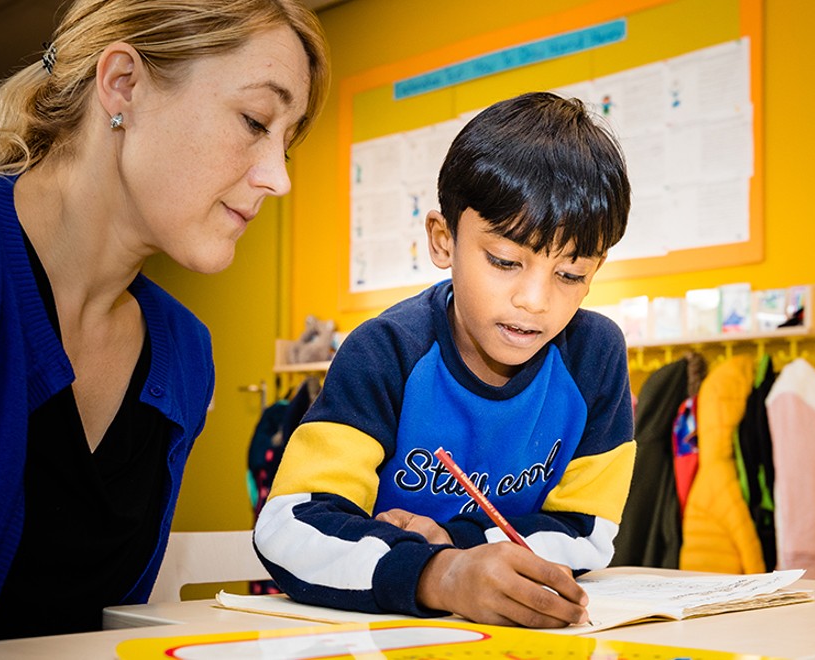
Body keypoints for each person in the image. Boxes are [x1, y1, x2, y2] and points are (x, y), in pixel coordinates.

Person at [0, 0, 329, 649]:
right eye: (254, 120)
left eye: (286, 144)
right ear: (122, 85)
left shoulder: (184, 352)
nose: (278, 179)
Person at [254, 91, 635, 628]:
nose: (535, 300)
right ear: (442, 240)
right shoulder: (385, 352)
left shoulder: (594, 356)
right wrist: (442, 573)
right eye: (505, 260)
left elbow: (588, 529)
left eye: (571, 275)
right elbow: (290, 527)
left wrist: (460, 543)